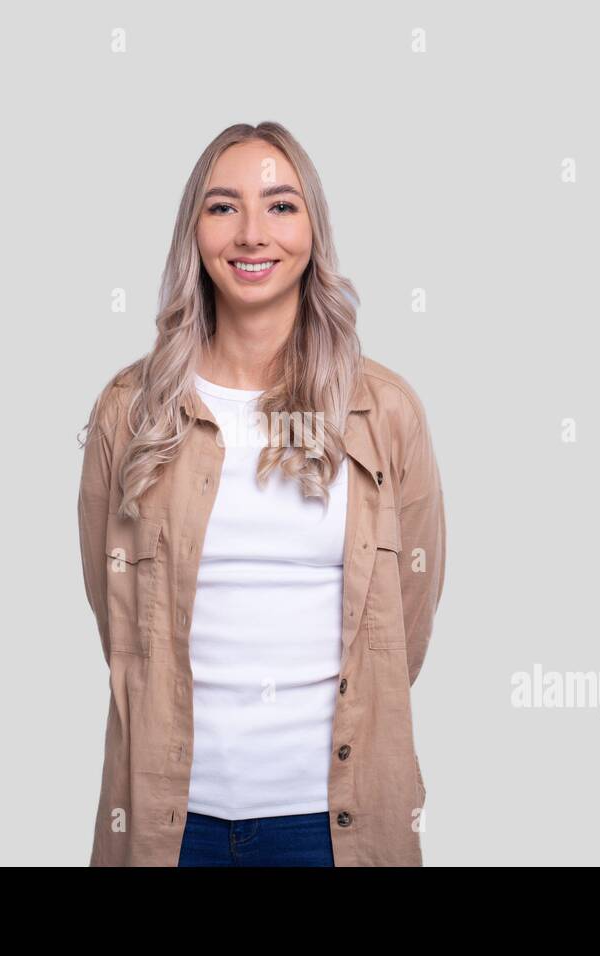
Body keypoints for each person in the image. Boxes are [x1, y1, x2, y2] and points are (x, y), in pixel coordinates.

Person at [77, 121, 446, 866]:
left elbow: (404, 623)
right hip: (169, 824)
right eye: (223, 207)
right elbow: (115, 613)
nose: (252, 234)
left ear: (314, 229)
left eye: (280, 206)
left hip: (332, 826)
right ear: (194, 230)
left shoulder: (387, 411)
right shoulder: (130, 410)